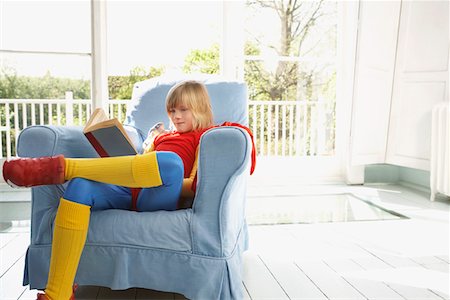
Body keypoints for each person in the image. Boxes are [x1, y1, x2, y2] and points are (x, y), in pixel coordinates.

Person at [2, 80, 214, 300]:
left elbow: (193, 184)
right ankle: (58, 293)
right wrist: (146, 146)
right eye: (172, 110)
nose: (176, 116)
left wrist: (159, 178)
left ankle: (60, 167)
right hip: (130, 188)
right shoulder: (162, 136)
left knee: (171, 163)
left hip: (158, 196)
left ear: (200, 108)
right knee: (80, 186)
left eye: (183, 110)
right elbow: (139, 163)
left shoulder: (205, 136)